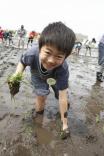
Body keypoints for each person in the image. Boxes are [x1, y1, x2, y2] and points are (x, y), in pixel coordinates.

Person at [10, 22, 76, 139]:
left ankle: (65, 109)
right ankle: (39, 117)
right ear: (40, 48)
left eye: (59, 56)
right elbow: (22, 62)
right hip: (37, 74)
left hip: (55, 77)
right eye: (48, 52)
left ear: (66, 57)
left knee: (60, 96)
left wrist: (65, 125)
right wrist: (16, 77)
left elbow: (62, 96)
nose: (51, 60)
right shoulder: (32, 54)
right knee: (41, 96)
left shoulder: (63, 69)